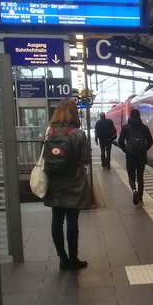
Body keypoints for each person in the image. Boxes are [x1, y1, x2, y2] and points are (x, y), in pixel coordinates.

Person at [41, 98, 92, 269]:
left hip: (55, 181)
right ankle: (73, 258)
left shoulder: (49, 132)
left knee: (56, 219)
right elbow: (86, 159)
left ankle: (62, 258)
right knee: (72, 221)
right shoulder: (78, 134)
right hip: (74, 181)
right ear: (74, 113)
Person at [117, 107, 153, 206]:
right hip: (141, 156)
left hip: (130, 155)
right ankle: (140, 198)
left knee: (131, 177)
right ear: (139, 116)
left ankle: (134, 191)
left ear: (130, 116)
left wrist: (126, 150)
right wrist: (144, 149)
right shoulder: (144, 127)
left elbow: (120, 142)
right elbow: (150, 141)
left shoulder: (125, 127)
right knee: (140, 177)